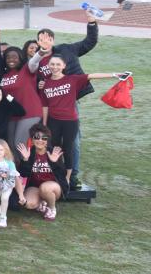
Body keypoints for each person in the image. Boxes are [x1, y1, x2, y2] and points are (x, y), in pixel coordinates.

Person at [33, 53, 124, 182]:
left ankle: (68, 178)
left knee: (68, 148)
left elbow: (92, 76)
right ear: (49, 65)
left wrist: (115, 75)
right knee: (54, 148)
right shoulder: (45, 84)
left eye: (58, 64)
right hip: (54, 121)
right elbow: (45, 106)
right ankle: (57, 173)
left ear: (64, 65)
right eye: (52, 64)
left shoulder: (73, 79)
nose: (55, 67)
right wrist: (44, 124)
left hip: (70, 121)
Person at [16, 125, 67, 222]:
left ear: (47, 140)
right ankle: (42, 202)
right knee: (29, 204)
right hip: (35, 186)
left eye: (44, 138)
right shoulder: (29, 153)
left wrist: (54, 162)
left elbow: (62, 174)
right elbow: (23, 174)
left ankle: (52, 208)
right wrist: (25, 160)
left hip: (53, 188)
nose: (40, 140)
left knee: (45, 188)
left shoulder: (53, 152)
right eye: (36, 137)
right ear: (32, 139)